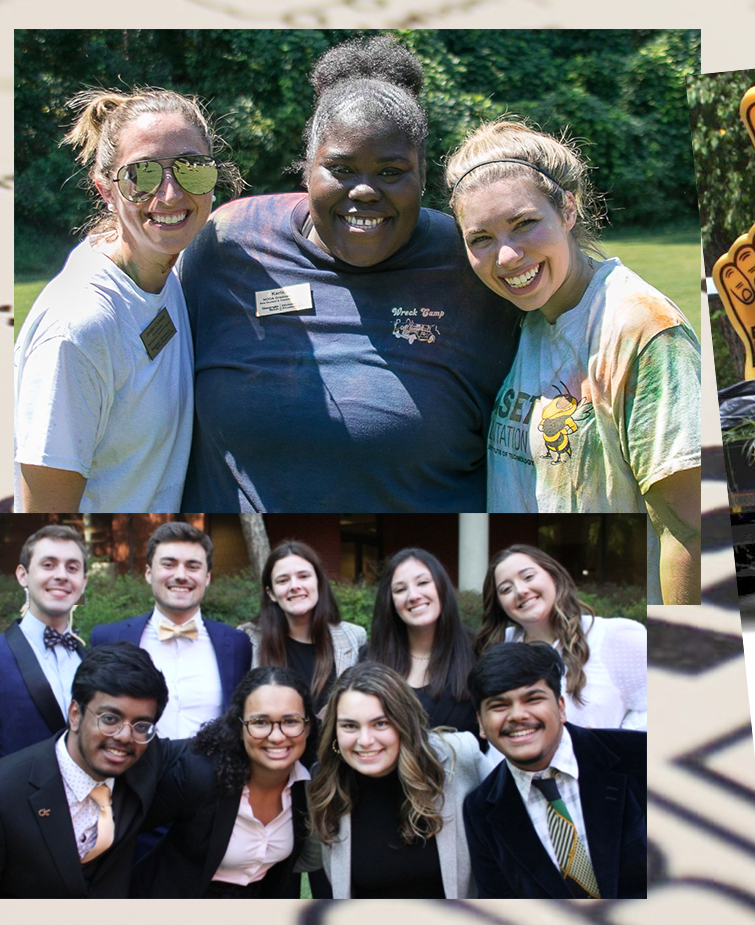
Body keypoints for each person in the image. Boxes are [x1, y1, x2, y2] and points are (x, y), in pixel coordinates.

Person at [179, 34, 518, 511]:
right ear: (307, 169)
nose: (364, 191)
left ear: (423, 175)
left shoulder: (471, 265)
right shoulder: (232, 243)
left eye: (391, 171)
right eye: (340, 168)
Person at [445, 120, 701, 603]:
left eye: (524, 224)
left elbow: (690, 530)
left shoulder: (642, 328)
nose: (506, 256)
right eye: (480, 238)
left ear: (567, 209)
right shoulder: (526, 319)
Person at [14, 87, 241, 512]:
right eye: (142, 176)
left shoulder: (165, 272)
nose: (171, 195)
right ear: (105, 189)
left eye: (192, 169)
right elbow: (43, 517)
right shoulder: (80, 326)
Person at [0, 642, 179, 898]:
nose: (126, 736)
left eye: (141, 725)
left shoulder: (148, 762)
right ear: (75, 715)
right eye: (110, 719)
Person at [463, 641, 647, 899]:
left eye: (533, 699)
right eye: (499, 705)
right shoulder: (481, 809)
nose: (517, 715)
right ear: (481, 724)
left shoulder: (639, 755)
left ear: (560, 708)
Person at [131, 667, 316, 897]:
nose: (277, 736)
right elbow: (127, 827)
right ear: (240, 727)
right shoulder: (201, 775)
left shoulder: (308, 786)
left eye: (290, 721)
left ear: (306, 727)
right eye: (260, 722)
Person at [307, 661, 486, 898]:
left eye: (380, 723)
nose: (365, 740)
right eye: (349, 726)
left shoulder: (458, 758)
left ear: (405, 722)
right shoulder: (326, 782)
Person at [90, 522, 251, 740]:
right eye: (169, 564)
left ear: (207, 577)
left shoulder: (236, 644)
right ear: (149, 573)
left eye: (193, 566)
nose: (181, 575)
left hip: (214, 771)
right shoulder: (108, 638)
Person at [476, 544, 646, 730]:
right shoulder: (498, 647)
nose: (520, 590)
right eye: (506, 589)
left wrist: (614, 744)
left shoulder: (612, 636)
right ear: (500, 604)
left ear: (554, 577)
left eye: (528, 577)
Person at [0, 525, 89, 775]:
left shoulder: (89, 660)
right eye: (48, 565)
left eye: (72, 567)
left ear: (83, 581)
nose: (61, 575)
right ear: (22, 575)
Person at [239, 541, 366, 717]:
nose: (294, 586)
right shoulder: (248, 639)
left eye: (303, 576)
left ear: (319, 583)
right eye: (283, 580)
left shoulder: (354, 637)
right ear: (271, 593)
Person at [361, 547, 478, 736]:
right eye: (400, 589)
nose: (413, 596)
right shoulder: (369, 660)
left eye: (423, 582)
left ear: (442, 587)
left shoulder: (478, 653)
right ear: (390, 601)